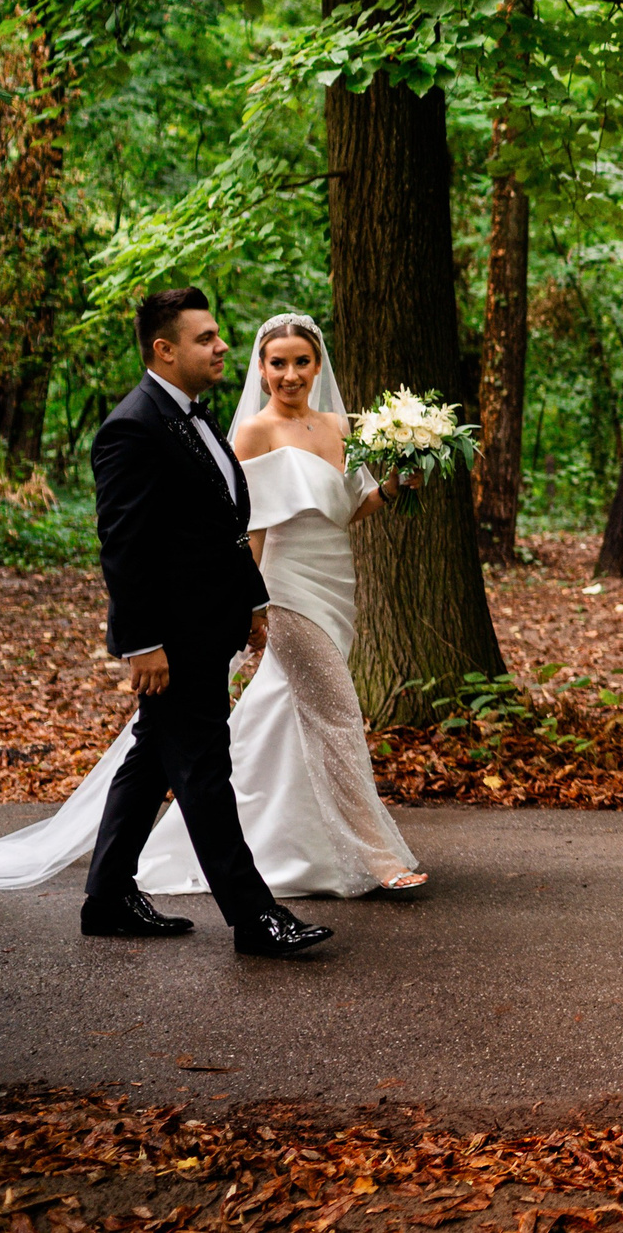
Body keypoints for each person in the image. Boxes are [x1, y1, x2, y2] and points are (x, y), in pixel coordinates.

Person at [0, 288, 334, 957]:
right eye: (206, 338)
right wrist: (141, 642)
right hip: (170, 639)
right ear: (164, 349)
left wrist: (253, 602)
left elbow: (226, 527)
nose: (221, 345)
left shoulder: (191, 419)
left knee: (152, 758)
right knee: (203, 769)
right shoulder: (132, 426)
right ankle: (255, 916)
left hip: (210, 624)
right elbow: (124, 545)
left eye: (218, 335)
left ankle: (109, 895)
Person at [130, 311, 426, 897]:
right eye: (277, 363)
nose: (290, 375)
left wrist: (396, 484)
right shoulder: (255, 433)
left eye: (301, 362)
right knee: (338, 712)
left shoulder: (343, 426)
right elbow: (246, 527)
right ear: (261, 370)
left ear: (318, 365)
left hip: (337, 584)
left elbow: (351, 507)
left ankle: (267, 840)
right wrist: (251, 602)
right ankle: (378, 856)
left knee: (288, 714)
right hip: (285, 588)